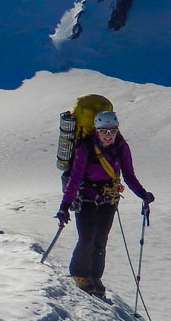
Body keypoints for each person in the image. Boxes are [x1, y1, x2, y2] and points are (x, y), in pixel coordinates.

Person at [56, 110, 154, 297]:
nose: (108, 135)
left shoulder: (121, 148)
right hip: (86, 198)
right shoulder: (85, 148)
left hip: (109, 200)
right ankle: (79, 273)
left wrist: (142, 194)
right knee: (86, 238)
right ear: (96, 130)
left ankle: (95, 276)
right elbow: (75, 179)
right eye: (104, 131)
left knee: (100, 240)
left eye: (112, 131)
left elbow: (129, 175)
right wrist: (64, 206)